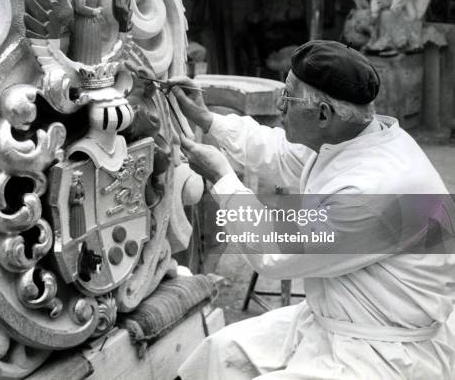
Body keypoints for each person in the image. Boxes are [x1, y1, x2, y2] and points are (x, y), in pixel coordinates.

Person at [171, 40, 455, 379]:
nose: (279, 105)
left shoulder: (374, 189)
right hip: (338, 320)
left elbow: (274, 252)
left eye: (288, 96)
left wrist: (221, 177)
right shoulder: (353, 139)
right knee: (220, 352)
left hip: (383, 350)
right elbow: (279, 152)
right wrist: (208, 120)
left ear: (323, 114)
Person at [71, 0, 105, 65]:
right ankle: (83, 66)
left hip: (94, 24)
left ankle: (94, 66)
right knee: (84, 45)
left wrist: (99, 9)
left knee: (94, 44)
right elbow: (80, 7)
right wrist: (93, 11)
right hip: (83, 24)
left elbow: (101, 4)